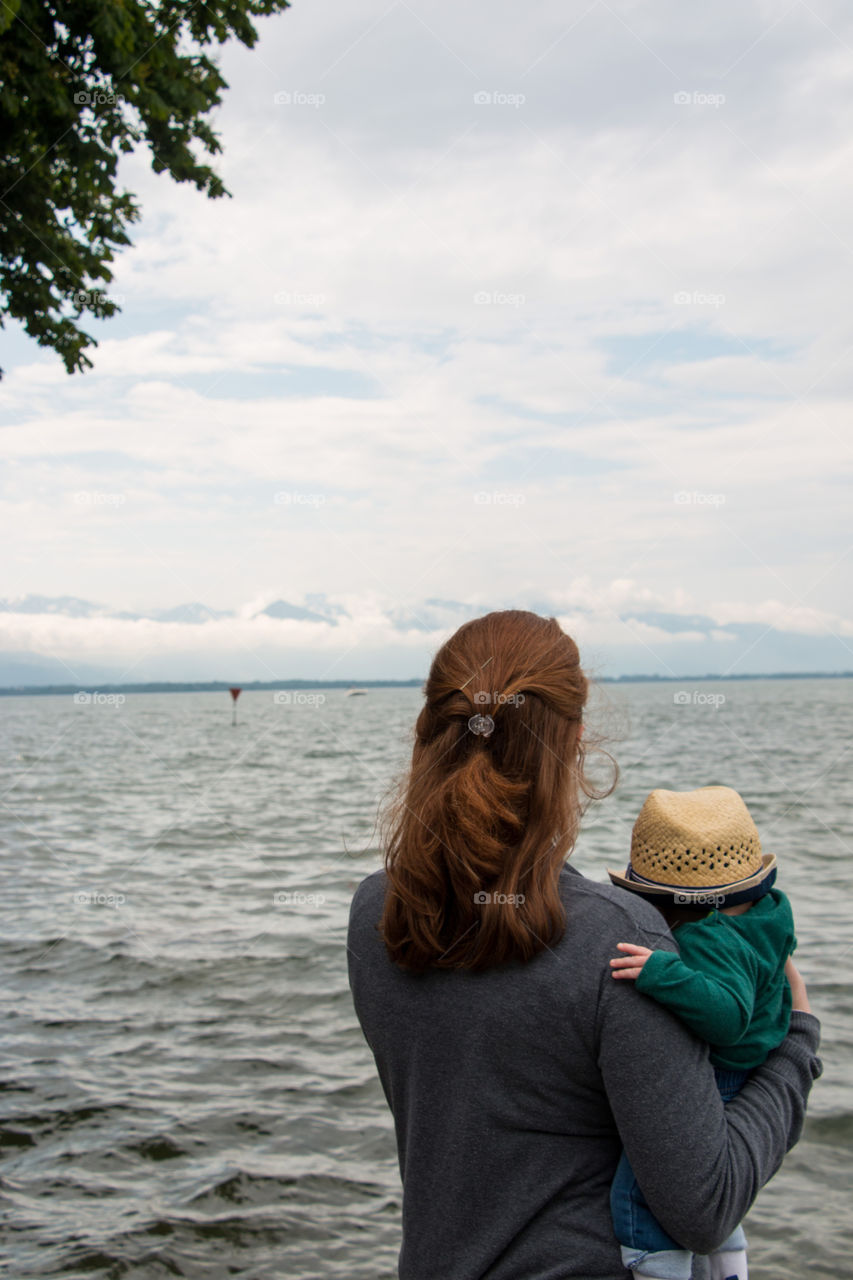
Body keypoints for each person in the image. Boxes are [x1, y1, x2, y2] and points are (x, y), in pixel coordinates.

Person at [347, 611, 822, 1280]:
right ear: (573, 740)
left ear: (429, 729)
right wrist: (795, 1045)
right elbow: (704, 1206)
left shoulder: (377, 911)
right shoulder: (620, 943)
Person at [606, 785, 797, 1280]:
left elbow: (728, 1018)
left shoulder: (707, 936)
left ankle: (655, 1269)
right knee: (717, 1177)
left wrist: (661, 972)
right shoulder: (771, 911)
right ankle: (728, 1266)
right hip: (757, 1060)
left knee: (640, 1188)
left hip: (723, 1071)